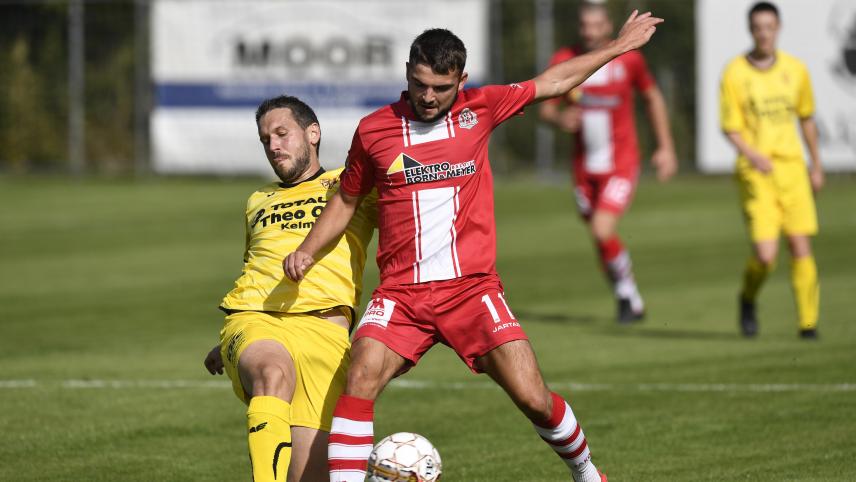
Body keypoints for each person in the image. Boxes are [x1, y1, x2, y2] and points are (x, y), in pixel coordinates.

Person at [283, 11, 661, 482]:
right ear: (407, 72)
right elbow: (346, 199)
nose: (428, 96)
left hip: (472, 290)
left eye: (440, 88)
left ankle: (587, 473)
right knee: (359, 377)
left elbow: (553, 81)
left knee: (533, 397)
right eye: (419, 84)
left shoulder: (481, 108)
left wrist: (618, 46)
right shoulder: (374, 130)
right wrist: (308, 249)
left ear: (461, 81)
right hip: (401, 295)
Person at [202, 95, 376, 482]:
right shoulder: (258, 200)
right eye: (266, 139)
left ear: (313, 133)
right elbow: (257, 270)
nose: (273, 146)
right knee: (272, 372)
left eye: (282, 134)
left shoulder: (351, 184)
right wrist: (233, 344)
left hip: (326, 335)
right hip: (256, 320)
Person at [538, 1, 677, 323]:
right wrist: (559, 119)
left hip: (621, 163)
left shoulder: (629, 59)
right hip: (584, 168)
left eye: (596, 25)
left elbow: (652, 96)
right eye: (584, 25)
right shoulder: (565, 59)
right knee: (599, 236)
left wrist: (666, 147)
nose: (589, 32)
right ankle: (628, 296)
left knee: (602, 229)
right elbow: (545, 108)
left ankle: (628, 293)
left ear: (608, 26)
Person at [719, 1, 823, 339]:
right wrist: (753, 154)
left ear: (778, 29)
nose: (764, 34)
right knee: (766, 256)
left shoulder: (796, 69)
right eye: (758, 28)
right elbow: (730, 127)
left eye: (769, 27)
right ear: (751, 31)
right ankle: (748, 298)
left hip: (792, 169)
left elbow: (806, 119)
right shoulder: (735, 73)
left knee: (800, 245)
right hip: (756, 173)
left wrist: (816, 165)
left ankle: (808, 324)